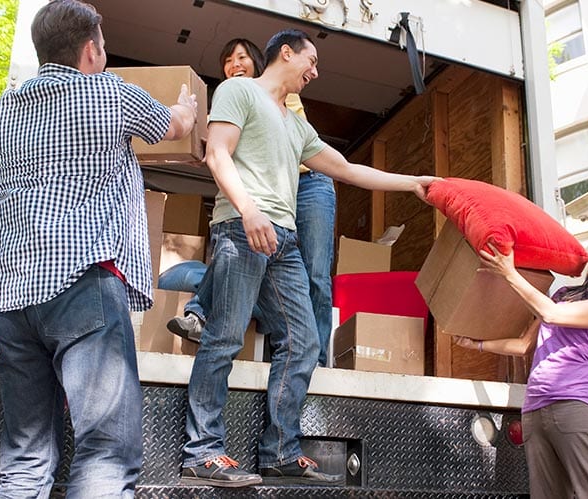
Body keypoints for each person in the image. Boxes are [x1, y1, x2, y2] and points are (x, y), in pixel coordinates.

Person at [180, 29, 437, 488]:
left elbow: (347, 168)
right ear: (286, 52)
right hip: (242, 227)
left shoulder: (297, 125)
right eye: (311, 61)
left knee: (304, 342)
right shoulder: (239, 90)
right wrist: (248, 208)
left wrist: (412, 181)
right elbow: (218, 154)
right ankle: (203, 452)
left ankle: (279, 451)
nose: (315, 73)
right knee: (223, 338)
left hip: (284, 241)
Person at [0, 0, 198, 496]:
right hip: (80, 285)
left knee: (24, 462)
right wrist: (185, 106)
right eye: (103, 45)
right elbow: (175, 127)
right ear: (90, 49)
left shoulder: (3, 110)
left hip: (10, 299)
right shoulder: (107, 94)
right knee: (105, 452)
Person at [166, 37, 339, 366]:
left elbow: (332, 162)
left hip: (308, 182)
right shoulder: (234, 95)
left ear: (262, 63)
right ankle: (206, 315)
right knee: (237, 250)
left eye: (242, 57)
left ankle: (315, 359)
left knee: (315, 272)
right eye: (228, 61)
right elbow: (220, 148)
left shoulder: (280, 93)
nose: (234, 65)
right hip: (268, 197)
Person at [453, 223, 588, 499]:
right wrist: (475, 344)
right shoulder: (564, 296)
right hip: (535, 408)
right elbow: (524, 345)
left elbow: (551, 315)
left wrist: (509, 272)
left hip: (576, 405)